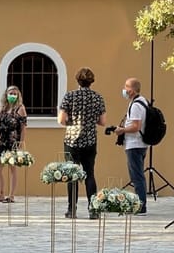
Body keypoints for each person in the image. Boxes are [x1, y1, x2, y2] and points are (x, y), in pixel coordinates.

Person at [58, 67, 106, 219]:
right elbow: (103, 121)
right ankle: (93, 210)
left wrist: (72, 123)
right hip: (90, 140)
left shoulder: (69, 96)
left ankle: (72, 209)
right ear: (91, 81)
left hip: (72, 141)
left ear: (77, 80)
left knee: (72, 175)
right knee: (89, 174)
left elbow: (61, 120)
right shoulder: (98, 98)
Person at [110, 77, 147, 215]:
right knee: (138, 175)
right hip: (140, 144)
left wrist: (122, 130)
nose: (124, 89)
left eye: (126, 86)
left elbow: (136, 126)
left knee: (137, 176)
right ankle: (140, 204)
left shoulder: (136, 105)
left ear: (132, 90)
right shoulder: (143, 101)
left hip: (134, 144)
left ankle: (140, 206)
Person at [0, 86, 27, 202]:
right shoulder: (3, 108)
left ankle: (11, 195)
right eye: (11, 93)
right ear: (6, 94)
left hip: (13, 141)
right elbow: (1, 122)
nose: (13, 95)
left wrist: (21, 142)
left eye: (15, 94)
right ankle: (0, 193)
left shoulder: (20, 108)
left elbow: (23, 127)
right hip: (1, 140)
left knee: (12, 168)